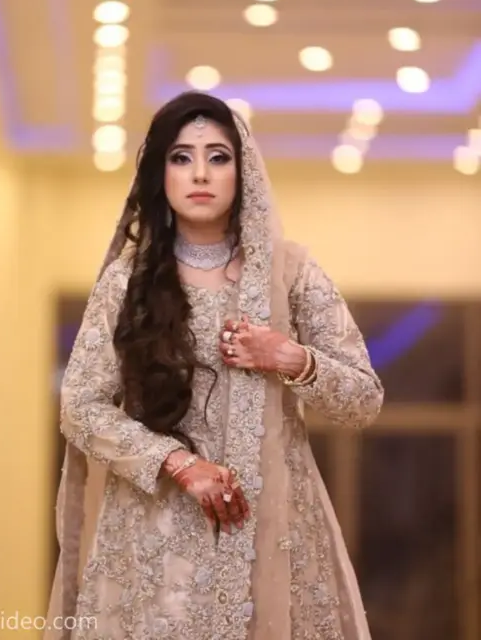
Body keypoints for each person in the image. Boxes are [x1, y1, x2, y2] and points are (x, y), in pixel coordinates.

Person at [45, 92, 384, 640]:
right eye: (181, 157)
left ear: (242, 171)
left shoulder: (291, 272)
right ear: (161, 174)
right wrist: (179, 463)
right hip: (156, 539)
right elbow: (80, 407)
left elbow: (363, 401)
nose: (200, 173)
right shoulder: (128, 282)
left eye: (218, 157)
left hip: (273, 530)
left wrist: (288, 356)